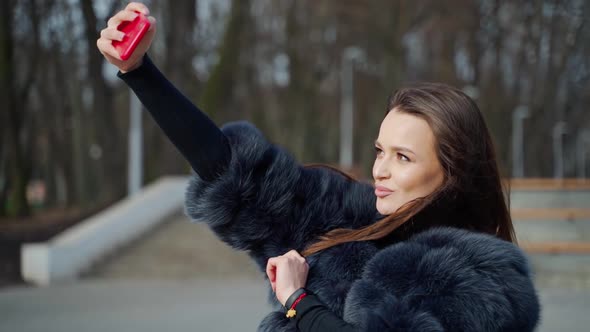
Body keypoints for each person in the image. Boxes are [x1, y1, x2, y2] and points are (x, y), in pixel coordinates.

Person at [97, 3, 541, 331]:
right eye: (380, 150)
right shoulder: (347, 216)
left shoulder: (486, 281)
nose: (381, 170)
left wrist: (297, 301)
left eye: (403, 157)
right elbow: (237, 174)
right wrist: (140, 72)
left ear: (455, 172)